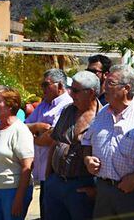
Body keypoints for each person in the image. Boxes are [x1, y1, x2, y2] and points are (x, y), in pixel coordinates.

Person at [82, 65, 134, 220]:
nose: (105, 87)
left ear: (126, 88)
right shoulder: (103, 113)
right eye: (105, 82)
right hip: (104, 191)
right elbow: (87, 141)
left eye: (110, 83)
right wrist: (88, 159)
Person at [44, 71, 101, 220]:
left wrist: (96, 190)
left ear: (91, 93)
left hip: (82, 187)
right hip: (56, 183)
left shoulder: (103, 117)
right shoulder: (68, 110)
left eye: (75, 91)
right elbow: (55, 142)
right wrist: (48, 178)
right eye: (70, 89)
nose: (70, 93)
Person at [24, 69, 73, 219]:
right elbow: (23, 127)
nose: (42, 88)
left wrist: (37, 137)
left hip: (54, 171)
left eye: (46, 84)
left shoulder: (67, 105)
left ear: (60, 86)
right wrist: (38, 127)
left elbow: (52, 137)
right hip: (41, 170)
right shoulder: (44, 104)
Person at [0, 88, 34, 220]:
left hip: (13, 190)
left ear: (11, 105)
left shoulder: (20, 131)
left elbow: (27, 167)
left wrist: (19, 199)